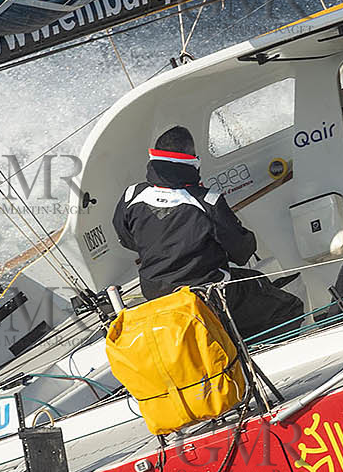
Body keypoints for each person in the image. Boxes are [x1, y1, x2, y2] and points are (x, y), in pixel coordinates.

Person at [114, 126, 304, 341]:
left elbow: (126, 238)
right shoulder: (207, 201)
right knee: (287, 308)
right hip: (207, 295)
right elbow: (241, 253)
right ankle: (245, 359)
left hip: (158, 298)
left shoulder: (132, 195)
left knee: (251, 286)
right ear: (192, 160)